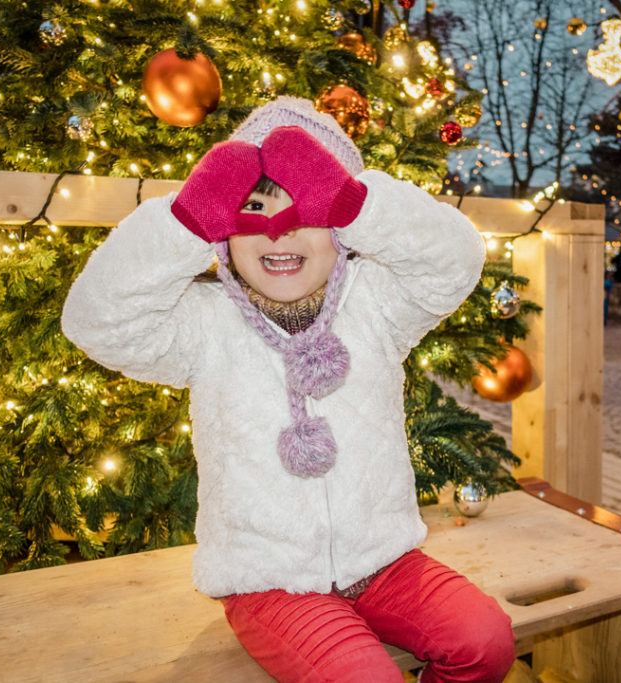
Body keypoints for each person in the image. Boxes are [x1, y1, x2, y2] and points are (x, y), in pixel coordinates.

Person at [61, 97, 515, 683]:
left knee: (487, 641)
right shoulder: (201, 325)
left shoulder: (379, 304)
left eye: (308, 206)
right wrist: (185, 222)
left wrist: (356, 201)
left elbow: (456, 259)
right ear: (223, 229)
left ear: (344, 232)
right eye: (253, 205)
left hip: (383, 560)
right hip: (269, 579)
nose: (280, 229)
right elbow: (95, 320)